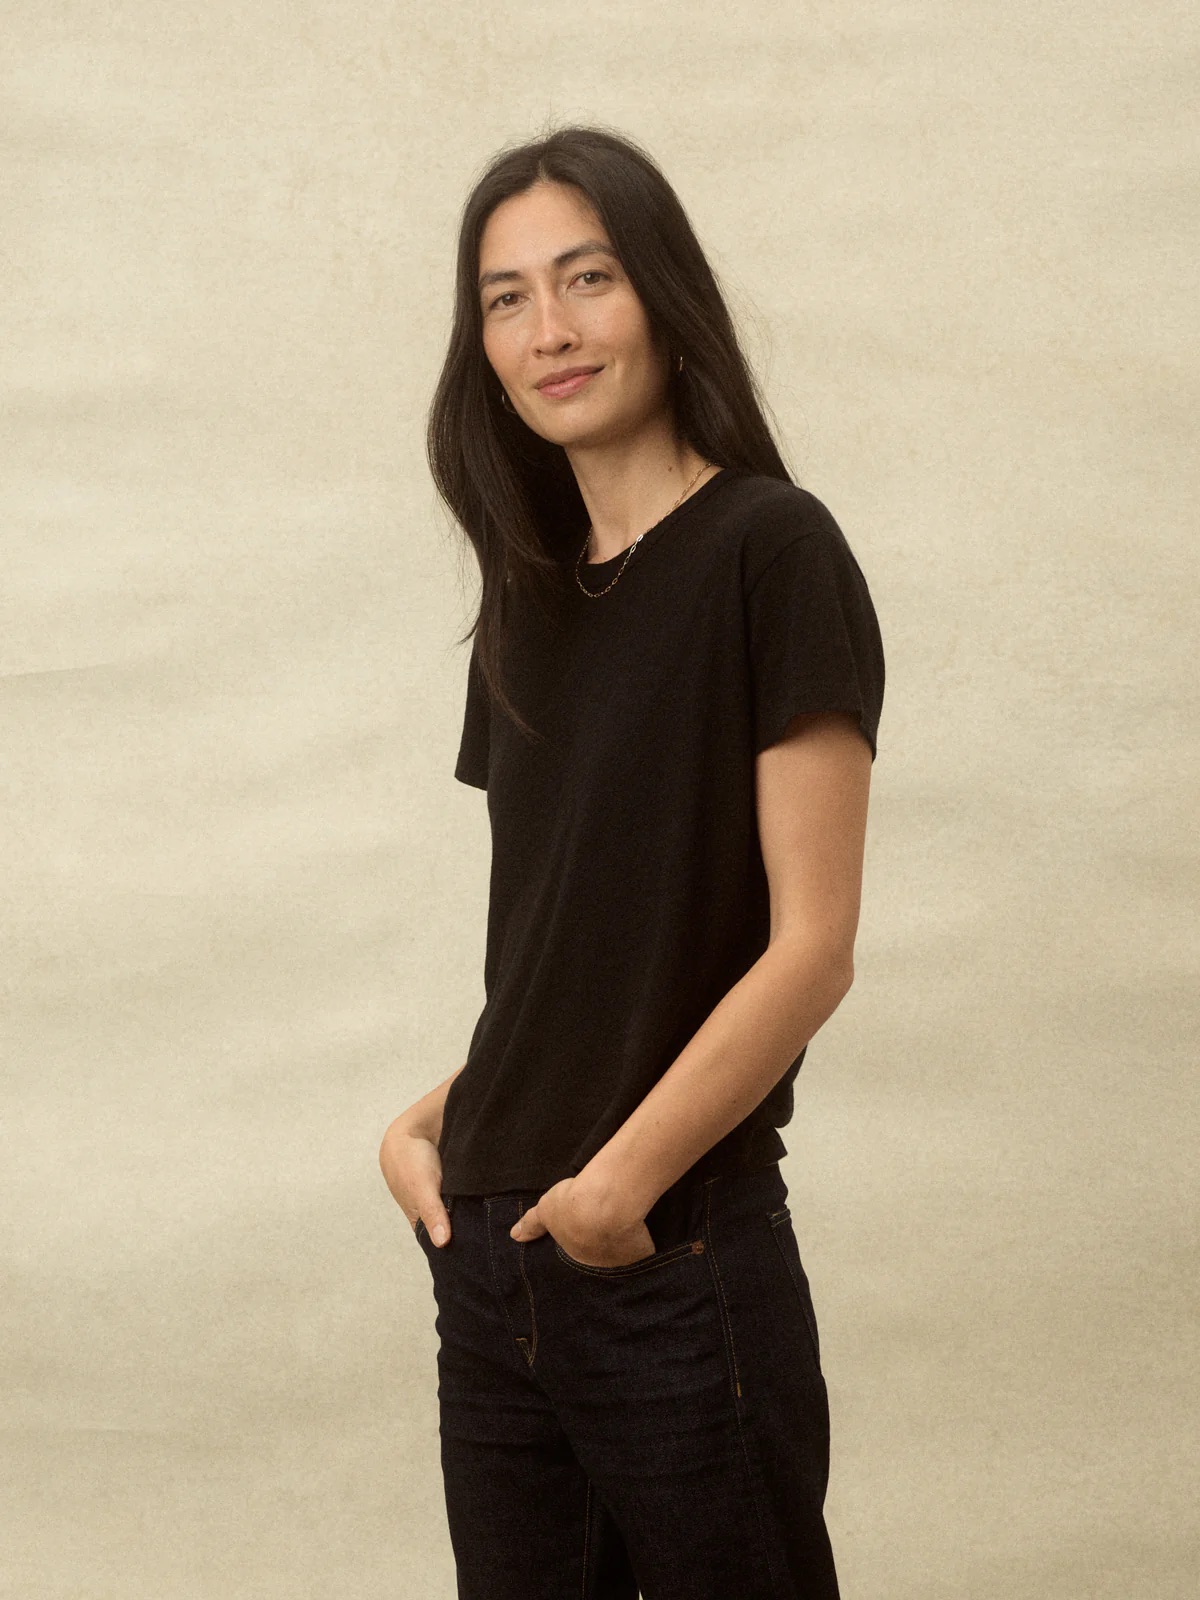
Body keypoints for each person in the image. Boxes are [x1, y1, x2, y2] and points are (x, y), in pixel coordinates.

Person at [378, 123, 885, 1600]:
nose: (550, 330)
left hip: (662, 1253)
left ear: (662, 293)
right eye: (506, 297)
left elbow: (812, 948)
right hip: (488, 1253)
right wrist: (427, 1129)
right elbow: (567, 953)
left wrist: (615, 1195)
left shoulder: (771, 552)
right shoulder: (526, 605)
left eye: (586, 278)